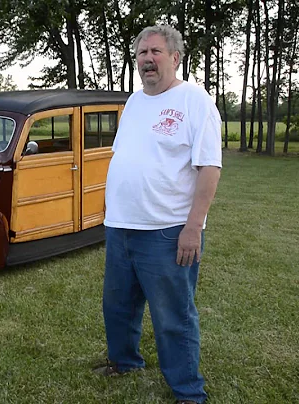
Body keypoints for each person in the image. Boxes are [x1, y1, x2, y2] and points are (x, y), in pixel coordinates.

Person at [94, 25, 222, 404]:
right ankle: (125, 361)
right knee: (118, 305)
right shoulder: (133, 103)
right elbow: (125, 157)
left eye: (155, 52)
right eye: (141, 54)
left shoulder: (195, 102)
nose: (147, 59)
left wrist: (193, 228)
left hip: (166, 232)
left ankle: (187, 391)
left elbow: (209, 168)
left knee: (173, 316)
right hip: (121, 228)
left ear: (175, 58)